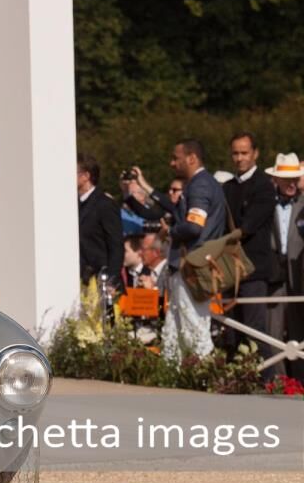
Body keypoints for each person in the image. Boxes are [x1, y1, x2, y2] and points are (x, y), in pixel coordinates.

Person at [130, 140, 229, 360]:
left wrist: (171, 231)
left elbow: (194, 226)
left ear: (192, 158)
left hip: (192, 266)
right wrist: (146, 186)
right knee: (175, 328)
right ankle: (172, 377)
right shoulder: (200, 183)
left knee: (193, 325)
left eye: (176, 158)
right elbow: (175, 209)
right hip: (187, 265)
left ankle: (203, 378)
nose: (172, 163)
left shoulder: (200, 185)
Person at [222, 132, 277, 373]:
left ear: (255, 154)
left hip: (253, 268)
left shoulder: (265, 185)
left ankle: (269, 381)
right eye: (235, 153)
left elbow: (250, 225)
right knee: (232, 330)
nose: (239, 158)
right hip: (230, 269)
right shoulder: (228, 187)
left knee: (255, 330)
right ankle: (237, 380)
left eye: (244, 153)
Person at [265, 152, 304, 380]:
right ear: (276, 180)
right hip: (274, 274)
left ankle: (301, 381)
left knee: (300, 330)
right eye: (286, 179)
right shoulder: (267, 204)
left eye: (295, 178)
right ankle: (278, 382)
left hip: (299, 274)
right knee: (273, 330)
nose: (291, 183)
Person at [77, 154, 123, 294]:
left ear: (85, 176)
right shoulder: (73, 204)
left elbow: (116, 245)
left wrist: (111, 281)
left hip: (99, 281)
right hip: (80, 279)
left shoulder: (104, 204)